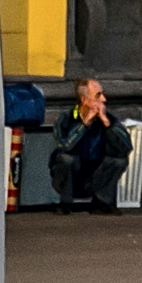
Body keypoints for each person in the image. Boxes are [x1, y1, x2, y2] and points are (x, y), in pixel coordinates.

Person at [50, 76, 131, 212]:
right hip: (72, 176)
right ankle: (65, 203)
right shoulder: (66, 119)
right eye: (98, 95)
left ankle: (102, 202)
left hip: (95, 176)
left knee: (119, 160)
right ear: (84, 100)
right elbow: (64, 146)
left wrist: (107, 124)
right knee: (64, 158)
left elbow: (125, 148)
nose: (104, 99)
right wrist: (84, 125)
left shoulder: (109, 119)